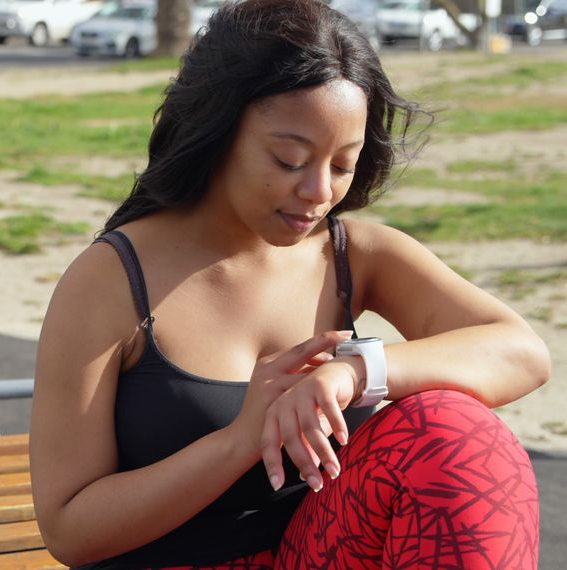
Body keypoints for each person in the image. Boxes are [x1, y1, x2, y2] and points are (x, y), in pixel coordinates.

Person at [28, 0, 552, 568]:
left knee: (453, 435)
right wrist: (240, 439)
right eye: (288, 159)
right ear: (218, 130)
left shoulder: (354, 256)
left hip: (312, 551)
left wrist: (354, 372)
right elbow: (69, 531)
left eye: (343, 165)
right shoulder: (110, 280)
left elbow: (520, 351)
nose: (318, 191)